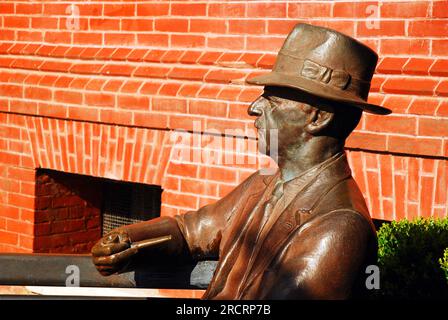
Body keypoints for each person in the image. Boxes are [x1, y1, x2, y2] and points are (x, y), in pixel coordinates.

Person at [91, 23, 391, 299]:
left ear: (318, 117)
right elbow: (192, 230)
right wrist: (129, 241)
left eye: (272, 99)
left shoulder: (338, 228)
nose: (253, 108)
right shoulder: (265, 183)